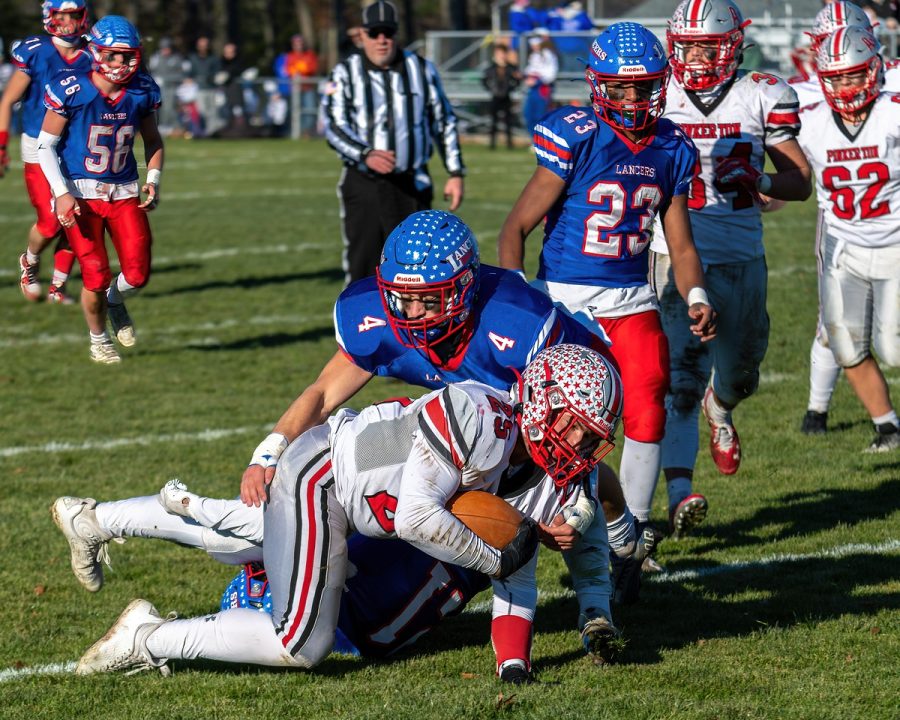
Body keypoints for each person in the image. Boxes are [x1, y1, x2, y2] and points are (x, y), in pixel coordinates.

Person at [72, 344, 623, 681]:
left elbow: (517, 570)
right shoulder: (480, 416)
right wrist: (492, 558)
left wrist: (515, 663)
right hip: (326, 481)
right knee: (300, 643)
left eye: (590, 437)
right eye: (576, 427)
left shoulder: (531, 469)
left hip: (349, 504)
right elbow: (413, 518)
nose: (579, 445)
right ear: (545, 402)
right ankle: (147, 637)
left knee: (237, 535)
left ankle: (98, 520)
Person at [498, 22, 715, 598]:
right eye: (620, 89)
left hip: (631, 298)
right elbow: (515, 228)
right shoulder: (577, 135)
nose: (633, 100)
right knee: (552, 428)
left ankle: (632, 539)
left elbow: (683, 245)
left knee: (649, 405)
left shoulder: (672, 148)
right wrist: (524, 300)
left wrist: (695, 295)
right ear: (598, 86)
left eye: (644, 87)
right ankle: (527, 524)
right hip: (563, 302)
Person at [649, 0, 812, 538]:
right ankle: (679, 495)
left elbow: (800, 182)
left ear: (732, 46)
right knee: (679, 381)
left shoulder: (762, 93)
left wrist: (762, 181)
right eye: (687, 45)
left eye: (706, 45)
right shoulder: (659, 94)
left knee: (741, 373)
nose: (695, 56)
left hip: (741, 255)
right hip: (670, 252)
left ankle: (722, 411)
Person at [790, 1, 897, 434]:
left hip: (892, 235)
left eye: (854, 73)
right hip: (843, 240)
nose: (846, 85)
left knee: (891, 346)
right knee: (843, 336)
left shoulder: (891, 109)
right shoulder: (806, 113)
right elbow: (792, 174)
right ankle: (884, 426)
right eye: (836, 76)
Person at [36, 16, 164, 364]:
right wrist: (61, 192)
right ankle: (98, 338)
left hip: (123, 192)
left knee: (136, 275)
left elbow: (153, 140)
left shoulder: (142, 91)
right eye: (113, 56)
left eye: (127, 56)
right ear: (96, 53)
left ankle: (115, 300)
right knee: (94, 275)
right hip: (79, 195)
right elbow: (44, 145)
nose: (121, 64)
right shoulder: (72, 88)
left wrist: (152, 181)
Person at [321, 0, 465, 285]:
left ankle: (414, 329)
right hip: (365, 182)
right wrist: (365, 153)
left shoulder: (421, 69)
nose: (382, 40)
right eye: (374, 32)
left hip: (412, 182)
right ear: (362, 34)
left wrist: (455, 172)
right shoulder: (345, 73)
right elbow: (333, 125)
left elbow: (443, 120)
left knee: (419, 269)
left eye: (388, 32)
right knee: (363, 265)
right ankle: (362, 327)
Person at [0, 0, 91, 305]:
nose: (67, 22)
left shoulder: (93, 53)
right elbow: (6, 102)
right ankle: (30, 259)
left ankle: (58, 287)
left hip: (75, 145)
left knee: (78, 219)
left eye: (73, 15)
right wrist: (1, 144)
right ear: (49, 17)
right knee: (51, 222)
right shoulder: (36, 50)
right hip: (39, 145)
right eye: (61, 15)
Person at [274, 34, 319, 136]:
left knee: (309, 110)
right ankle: (293, 132)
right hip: (295, 89)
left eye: (300, 43)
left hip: (308, 88)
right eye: (296, 44)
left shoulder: (310, 55)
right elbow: (288, 70)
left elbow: (311, 68)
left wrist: (300, 72)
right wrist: (299, 71)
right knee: (293, 111)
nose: (299, 46)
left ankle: (305, 132)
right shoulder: (289, 56)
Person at [147, 37, 188, 136]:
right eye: (163, 48)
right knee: (154, 108)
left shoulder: (177, 59)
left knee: (169, 107)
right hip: (156, 88)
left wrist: (165, 79)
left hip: (172, 88)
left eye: (167, 48)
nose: (165, 51)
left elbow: (181, 76)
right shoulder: (155, 58)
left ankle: (172, 127)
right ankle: (158, 126)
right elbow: (149, 71)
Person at [482, 42, 519, 150]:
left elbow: (516, 80)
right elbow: (484, 80)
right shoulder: (491, 67)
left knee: (508, 121)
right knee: (493, 121)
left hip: (506, 96)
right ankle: (492, 144)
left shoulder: (511, 68)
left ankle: (509, 144)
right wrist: (490, 89)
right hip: (495, 96)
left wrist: (511, 88)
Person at [521, 33, 558, 135]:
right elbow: (530, 69)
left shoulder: (548, 54)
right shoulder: (534, 55)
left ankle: (542, 140)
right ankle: (534, 139)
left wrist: (537, 81)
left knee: (540, 116)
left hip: (542, 89)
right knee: (529, 115)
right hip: (532, 90)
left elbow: (550, 75)